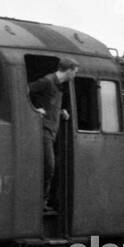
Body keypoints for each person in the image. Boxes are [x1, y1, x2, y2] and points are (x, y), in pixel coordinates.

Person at [28, 58, 79, 210]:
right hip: (44, 129)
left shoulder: (59, 84)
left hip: (52, 130)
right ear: (69, 70)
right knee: (49, 166)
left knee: (50, 166)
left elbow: (49, 102)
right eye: (75, 72)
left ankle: (43, 201)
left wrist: (60, 111)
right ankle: (40, 203)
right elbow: (26, 89)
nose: (75, 75)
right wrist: (34, 109)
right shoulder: (47, 81)